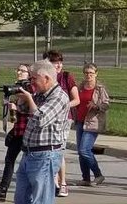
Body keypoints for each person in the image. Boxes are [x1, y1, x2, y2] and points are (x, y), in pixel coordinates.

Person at [13, 59, 70, 204]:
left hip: (45, 156)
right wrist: (21, 99)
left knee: (41, 200)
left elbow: (40, 119)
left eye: (34, 79)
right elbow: (24, 110)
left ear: (46, 78)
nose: (31, 82)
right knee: (21, 198)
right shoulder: (40, 95)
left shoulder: (59, 97)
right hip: (29, 153)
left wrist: (29, 99)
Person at [0, 63, 33, 201]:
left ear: (29, 74)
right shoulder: (18, 86)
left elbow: (33, 109)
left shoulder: (29, 87)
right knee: (9, 159)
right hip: (18, 128)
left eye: (22, 70)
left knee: (27, 161)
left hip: (27, 130)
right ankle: (2, 190)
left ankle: (33, 191)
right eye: (18, 69)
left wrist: (16, 108)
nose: (19, 72)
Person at [42, 50, 79, 197]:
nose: (58, 65)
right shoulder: (44, 78)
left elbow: (76, 99)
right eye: (54, 62)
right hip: (47, 118)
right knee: (48, 150)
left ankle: (63, 182)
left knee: (59, 149)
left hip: (64, 118)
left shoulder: (66, 77)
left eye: (59, 62)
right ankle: (53, 180)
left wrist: (62, 106)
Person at [74, 63, 109, 186]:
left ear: (96, 74)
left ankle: (98, 175)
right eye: (86, 73)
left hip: (93, 123)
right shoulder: (80, 86)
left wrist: (97, 106)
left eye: (91, 73)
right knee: (80, 151)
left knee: (84, 150)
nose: (89, 75)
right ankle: (86, 178)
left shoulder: (100, 88)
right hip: (79, 121)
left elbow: (106, 104)